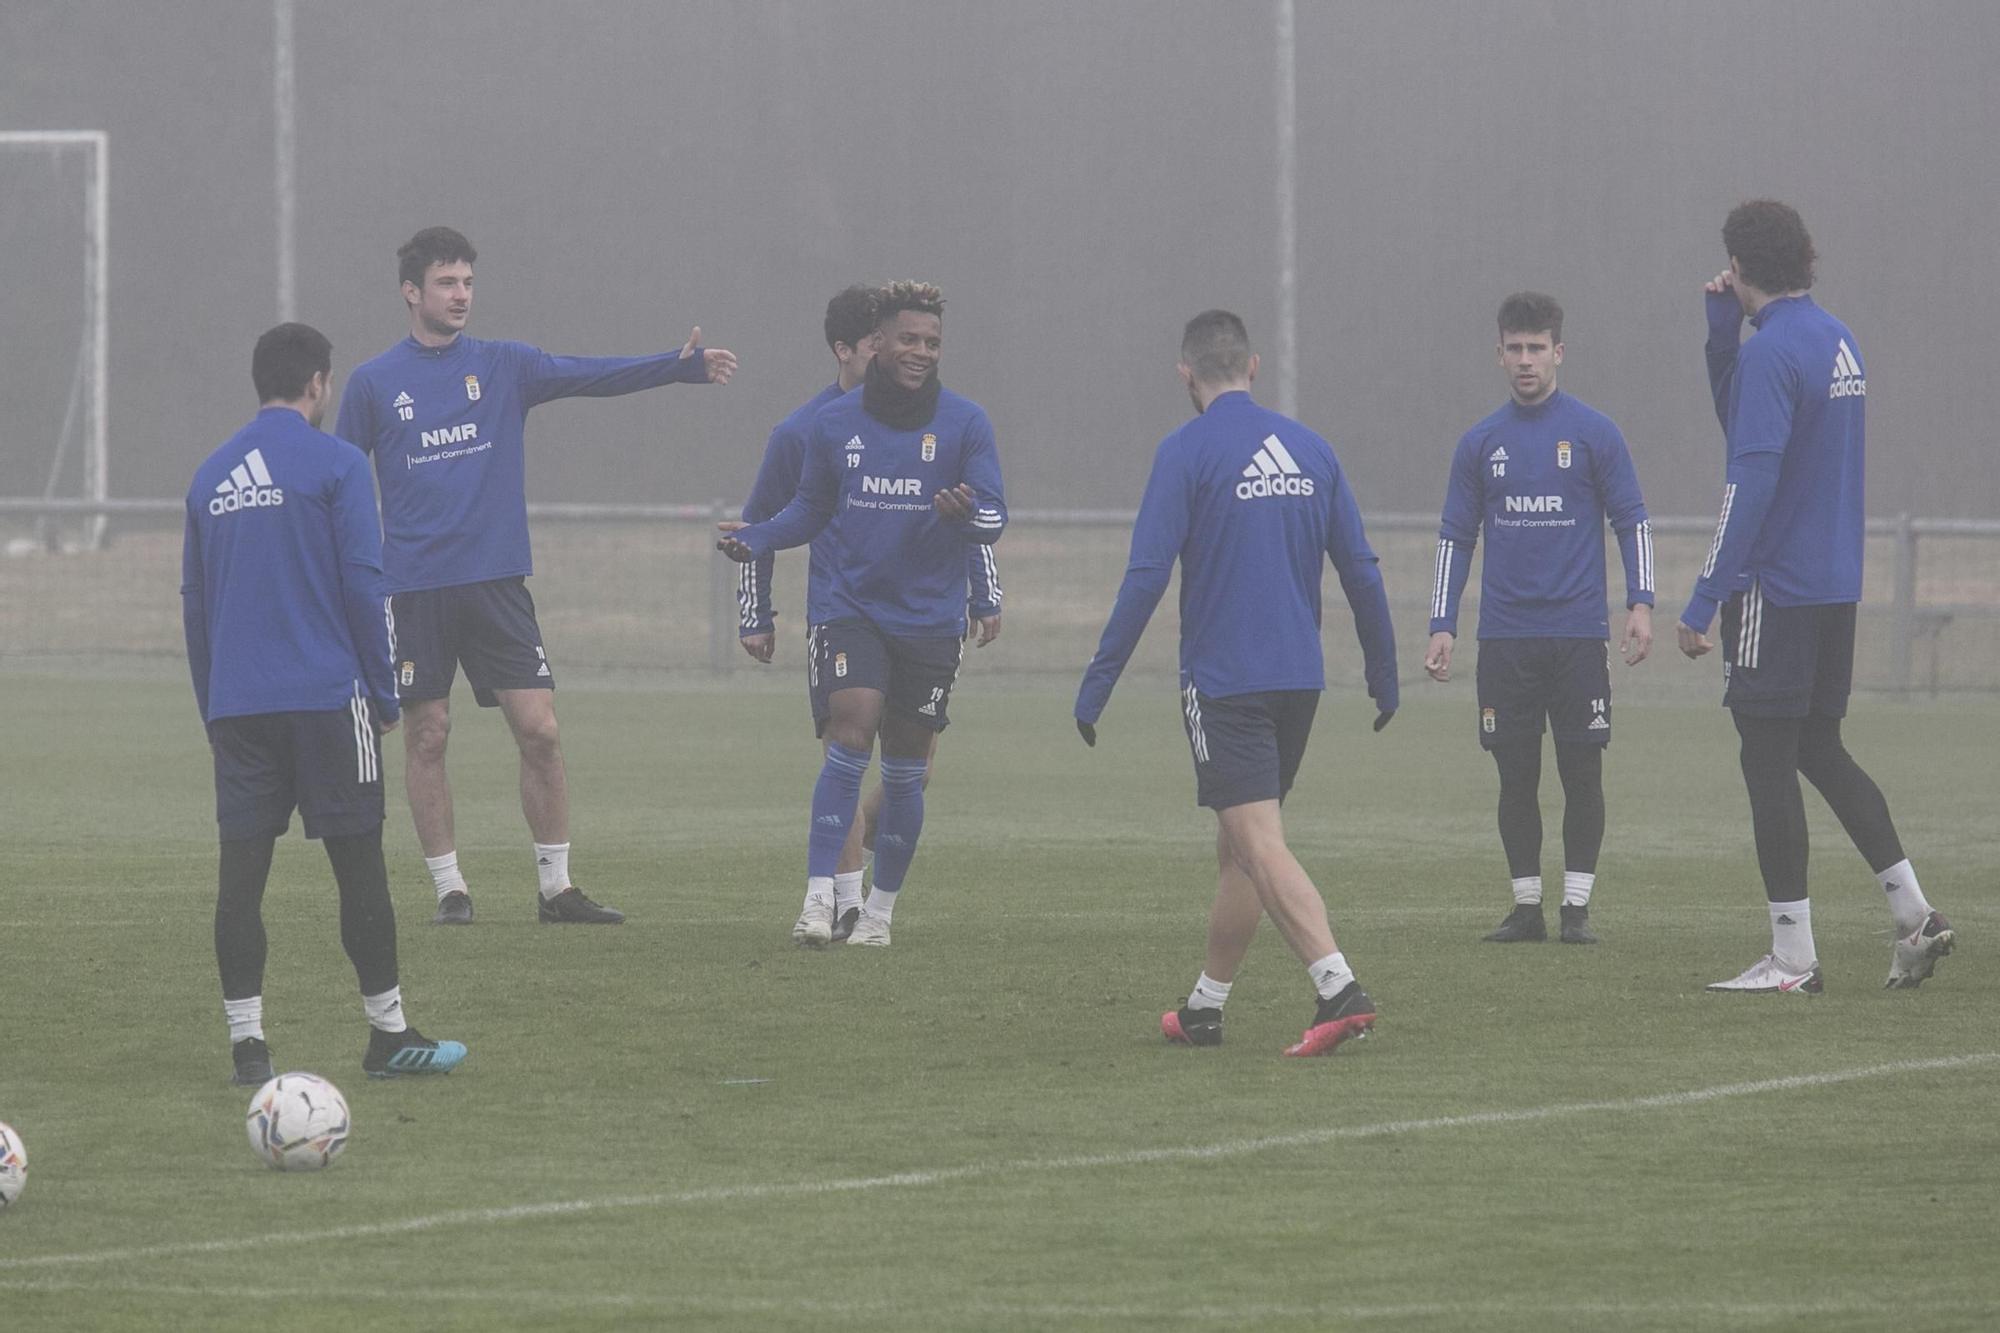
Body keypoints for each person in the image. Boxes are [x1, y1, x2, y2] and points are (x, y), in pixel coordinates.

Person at [335, 226, 738, 926]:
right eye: (446, 283)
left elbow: (591, 374)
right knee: (428, 733)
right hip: (414, 588)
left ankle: (556, 887)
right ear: (411, 292)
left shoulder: (504, 365)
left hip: (496, 584)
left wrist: (675, 367)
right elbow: (339, 477)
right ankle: (449, 889)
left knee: (541, 730)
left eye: (467, 282)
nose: (461, 294)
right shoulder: (374, 382)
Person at [1075, 310, 1398, 1057]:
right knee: (1239, 848)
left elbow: (1147, 575)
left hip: (1226, 682)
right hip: (1299, 682)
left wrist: (1097, 685)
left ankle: (1338, 985)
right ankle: (1204, 1007)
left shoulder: (1185, 451)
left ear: (1186, 376)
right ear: (1253, 367)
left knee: (1256, 841)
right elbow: (1362, 569)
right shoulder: (1312, 450)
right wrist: (1384, 673)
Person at [1679, 200, 1954, 994]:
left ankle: (1793, 957)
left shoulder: (1773, 355)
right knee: (1817, 748)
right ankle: (1914, 913)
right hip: (1836, 586)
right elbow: (1748, 425)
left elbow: (1748, 475)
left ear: (1739, 267)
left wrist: (1705, 598)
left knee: (1766, 757)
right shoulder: (1837, 338)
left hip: (1777, 587)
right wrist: (1720, 336)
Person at [182, 323, 466, 1085]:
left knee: (240, 880)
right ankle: (388, 1035)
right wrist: (383, 689)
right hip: (326, 700)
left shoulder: (209, 478)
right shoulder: (338, 464)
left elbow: (195, 608)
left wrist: (215, 707)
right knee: (360, 869)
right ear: (317, 383)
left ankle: (248, 1047)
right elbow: (366, 587)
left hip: (238, 707)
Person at [717, 281, 1005, 949]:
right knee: (849, 733)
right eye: (907, 339)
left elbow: (992, 517)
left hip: (930, 618)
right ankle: (821, 900)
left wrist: (972, 537)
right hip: (848, 608)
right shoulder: (825, 426)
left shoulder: (966, 423)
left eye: (931, 342)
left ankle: (877, 911)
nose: (919, 351)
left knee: (909, 769)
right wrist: (756, 539)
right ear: (875, 345)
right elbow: (806, 511)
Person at [1424, 293, 1655, 945]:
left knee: (1582, 770)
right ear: (1499, 354)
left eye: (1537, 348)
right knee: (1515, 772)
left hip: (1579, 635)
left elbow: (1631, 518)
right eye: (1514, 348)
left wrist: (1642, 603)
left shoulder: (1594, 433)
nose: (1526, 360)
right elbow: (1454, 535)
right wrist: (1442, 621)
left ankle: (1575, 909)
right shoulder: (1480, 443)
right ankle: (1526, 906)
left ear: (1558, 351)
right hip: (1505, 639)